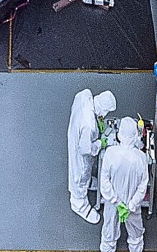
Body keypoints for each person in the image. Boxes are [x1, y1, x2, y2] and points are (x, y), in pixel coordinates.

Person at [98, 116, 152, 252]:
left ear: (119, 134)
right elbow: (142, 186)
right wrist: (131, 205)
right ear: (136, 135)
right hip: (132, 205)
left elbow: (104, 183)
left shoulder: (110, 154)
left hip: (113, 204)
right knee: (136, 235)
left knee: (109, 234)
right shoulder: (141, 158)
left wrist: (117, 202)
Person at [67, 87, 117, 223]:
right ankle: (79, 204)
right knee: (80, 172)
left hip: (74, 131)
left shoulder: (86, 94)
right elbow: (86, 149)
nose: (105, 115)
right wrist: (100, 143)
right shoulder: (89, 125)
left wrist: (97, 121)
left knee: (86, 171)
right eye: (106, 112)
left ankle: (88, 182)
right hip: (80, 148)